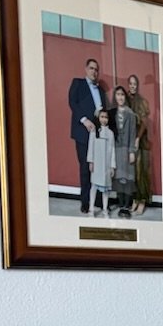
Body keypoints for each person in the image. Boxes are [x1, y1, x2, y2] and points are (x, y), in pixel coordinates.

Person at [68, 58, 105, 213]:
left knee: (97, 168)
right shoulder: (78, 83)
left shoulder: (101, 90)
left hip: (97, 134)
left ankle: (96, 200)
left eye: (96, 69)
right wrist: (85, 120)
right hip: (83, 133)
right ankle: (84, 202)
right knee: (85, 167)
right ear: (86, 69)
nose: (94, 72)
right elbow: (72, 103)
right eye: (91, 68)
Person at [125, 71, 153, 215]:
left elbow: (144, 122)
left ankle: (141, 201)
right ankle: (134, 200)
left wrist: (137, 138)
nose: (133, 86)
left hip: (140, 141)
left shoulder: (142, 102)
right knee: (132, 173)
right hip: (127, 141)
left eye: (135, 84)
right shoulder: (125, 100)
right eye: (130, 84)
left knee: (140, 172)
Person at [110, 84, 138, 219]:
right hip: (116, 149)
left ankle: (126, 206)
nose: (120, 97)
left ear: (125, 97)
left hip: (126, 149)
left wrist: (132, 151)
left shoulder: (130, 114)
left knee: (128, 178)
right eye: (117, 95)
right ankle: (121, 205)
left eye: (122, 95)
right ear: (114, 97)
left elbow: (133, 134)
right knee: (119, 178)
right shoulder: (112, 113)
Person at [85, 107, 115, 217]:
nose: (104, 120)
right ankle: (91, 208)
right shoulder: (94, 131)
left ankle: (105, 209)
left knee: (105, 189)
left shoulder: (110, 133)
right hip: (97, 164)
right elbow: (90, 147)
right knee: (94, 186)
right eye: (102, 117)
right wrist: (91, 162)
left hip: (106, 165)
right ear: (98, 118)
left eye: (106, 117)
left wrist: (112, 166)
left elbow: (112, 150)